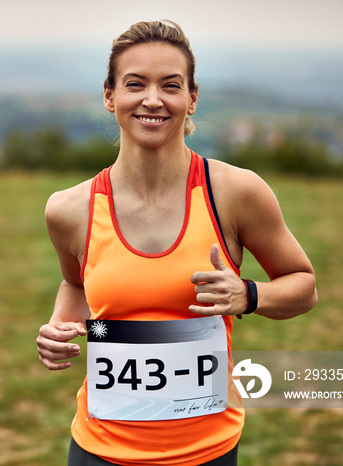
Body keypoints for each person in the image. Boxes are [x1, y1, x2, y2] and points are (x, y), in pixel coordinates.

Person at [36, 20, 318, 466]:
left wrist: (248, 294)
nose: (153, 99)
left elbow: (303, 285)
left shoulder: (235, 192)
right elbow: (75, 286)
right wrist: (59, 327)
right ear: (109, 95)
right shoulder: (69, 209)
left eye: (171, 85)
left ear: (192, 98)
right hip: (99, 449)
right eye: (135, 84)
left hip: (206, 452)